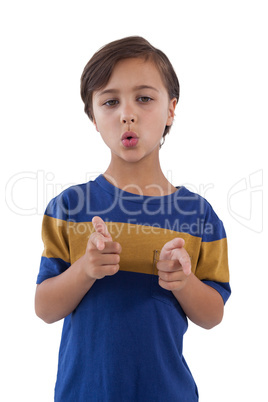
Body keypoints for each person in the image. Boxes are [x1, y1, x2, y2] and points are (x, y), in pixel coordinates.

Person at [35, 36, 231, 401]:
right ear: (93, 117)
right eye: (110, 102)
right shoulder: (69, 206)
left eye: (144, 98)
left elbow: (212, 315)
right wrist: (86, 268)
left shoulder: (198, 215)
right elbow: (44, 308)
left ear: (171, 109)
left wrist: (184, 281)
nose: (128, 113)